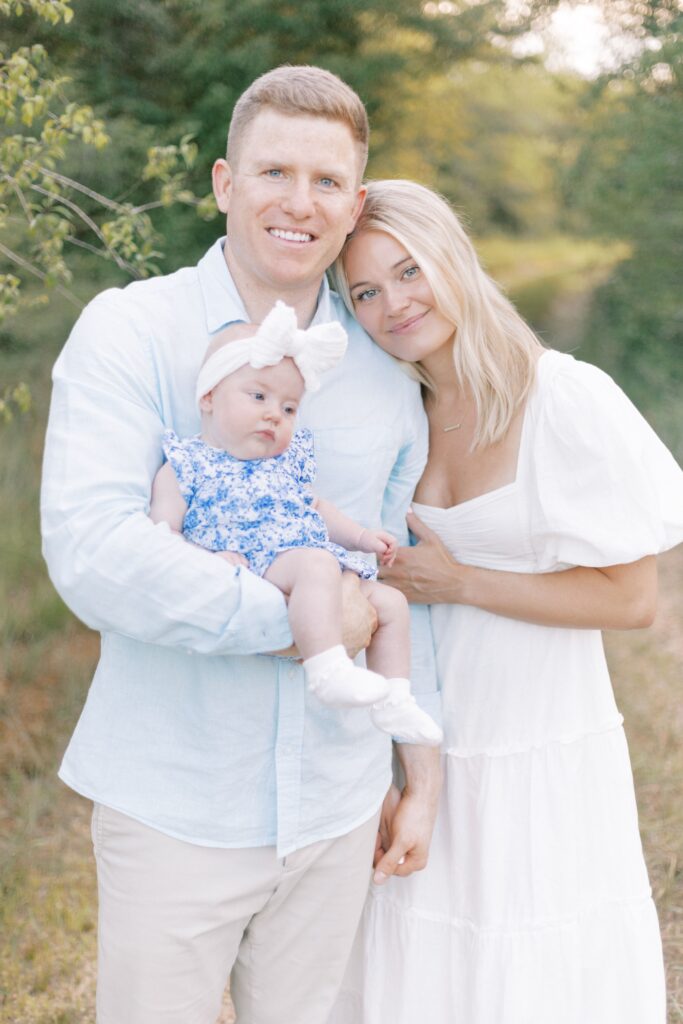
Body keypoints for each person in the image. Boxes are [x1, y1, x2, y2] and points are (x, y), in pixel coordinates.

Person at [40, 73, 442, 1024]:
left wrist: (413, 780)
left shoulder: (387, 371)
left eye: (326, 181)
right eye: (273, 171)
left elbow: (390, 579)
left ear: (355, 202)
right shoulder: (130, 330)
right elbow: (96, 549)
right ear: (224, 182)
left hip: (338, 804)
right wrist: (303, 623)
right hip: (177, 798)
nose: (298, 203)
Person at [328, 178, 683, 1024]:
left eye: (408, 271)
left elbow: (632, 599)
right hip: (422, 736)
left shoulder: (559, 395)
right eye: (365, 293)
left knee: (530, 957)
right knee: (413, 948)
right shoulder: (393, 411)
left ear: (452, 257)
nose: (393, 305)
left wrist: (461, 583)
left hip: (537, 735)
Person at [149, 301, 442, 744]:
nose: (274, 414)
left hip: (307, 557)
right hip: (256, 560)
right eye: (259, 397)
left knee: (390, 604)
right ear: (209, 396)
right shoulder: (186, 463)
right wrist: (206, 561)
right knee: (317, 566)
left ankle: (395, 700)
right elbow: (162, 535)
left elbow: (318, 509)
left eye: (289, 408)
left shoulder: (286, 461)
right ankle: (326, 669)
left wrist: (362, 537)